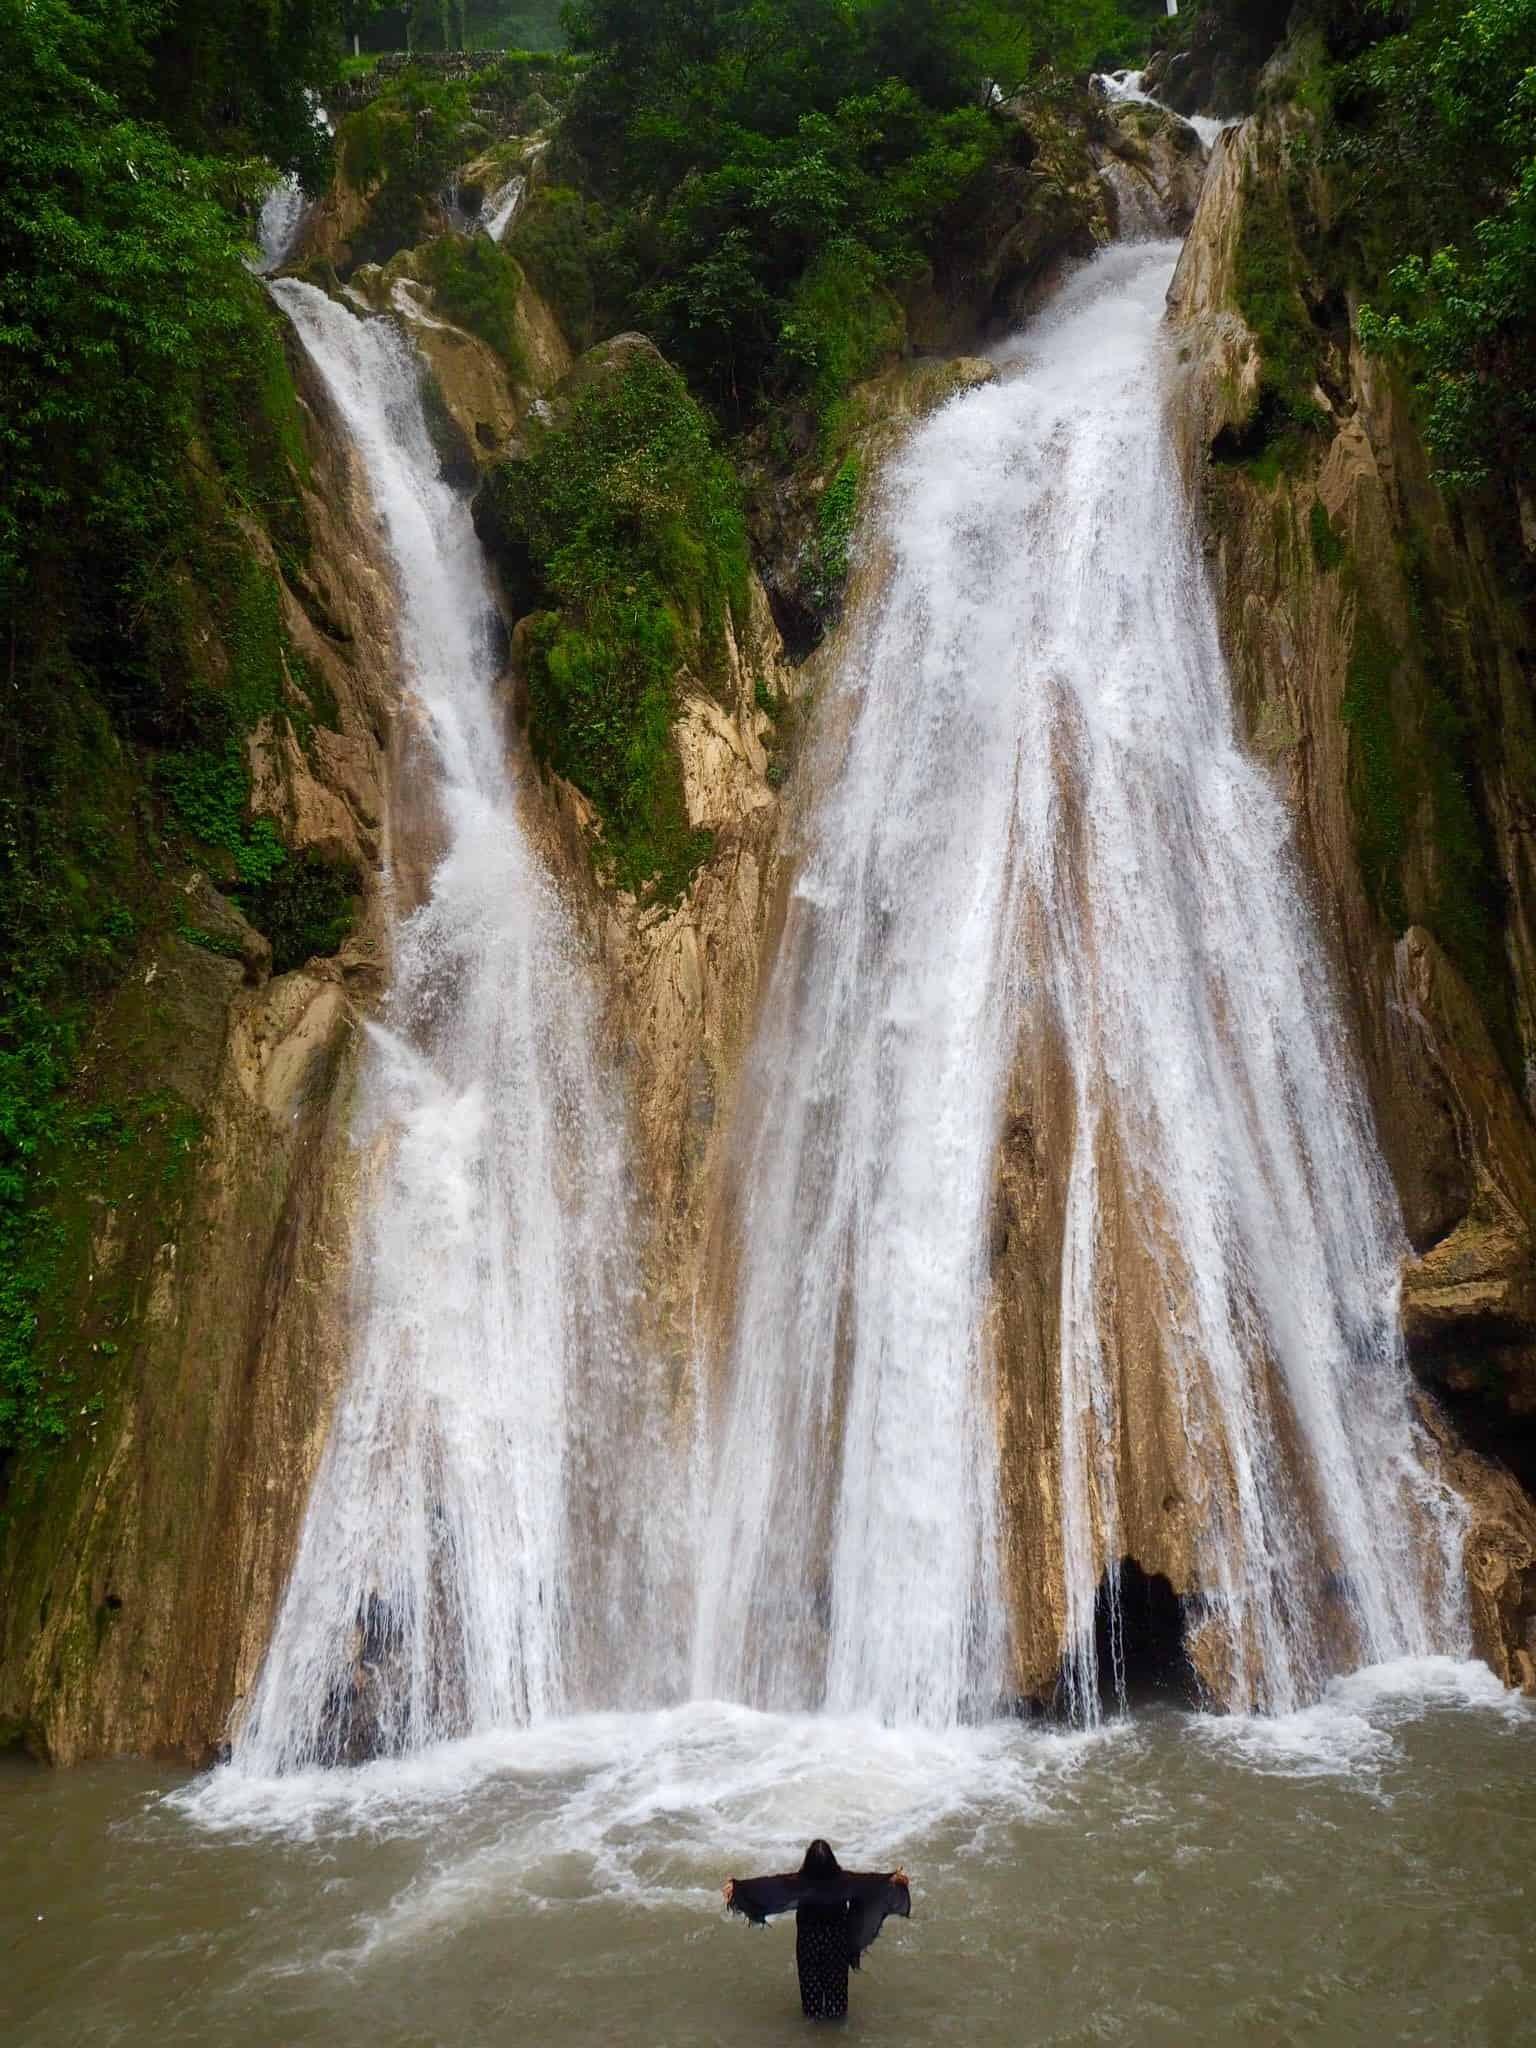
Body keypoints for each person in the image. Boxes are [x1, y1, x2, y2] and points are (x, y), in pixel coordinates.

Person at [722, 1838, 912, 2021]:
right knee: (837, 1996)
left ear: (808, 1862)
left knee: (810, 1995)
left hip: (809, 1943)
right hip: (836, 1944)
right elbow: (871, 1883)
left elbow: (768, 1886)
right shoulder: (845, 1881)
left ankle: (814, 2027)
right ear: (832, 1861)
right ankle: (836, 2034)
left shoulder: (798, 1883)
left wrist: (738, 1887)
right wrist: (893, 1878)